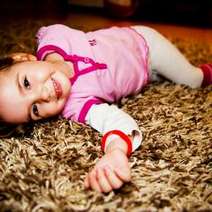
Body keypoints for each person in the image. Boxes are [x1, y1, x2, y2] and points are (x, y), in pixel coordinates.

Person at [0, 24, 211, 193]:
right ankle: (154, 75)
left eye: (26, 83)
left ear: (22, 58)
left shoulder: (54, 38)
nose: (43, 95)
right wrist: (116, 151)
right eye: (34, 109)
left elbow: (56, 33)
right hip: (145, 72)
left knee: (193, 80)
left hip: (145, 42)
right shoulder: (75, 106)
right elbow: (116, 121)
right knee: (160, 77)